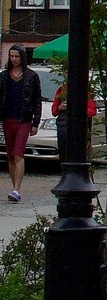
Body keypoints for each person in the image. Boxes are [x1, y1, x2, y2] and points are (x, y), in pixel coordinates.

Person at [1, 44, 43, 202]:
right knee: (11, 155)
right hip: (7, 118)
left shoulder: (31, 76)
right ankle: (14, 188)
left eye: (17, 56)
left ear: (22, 57)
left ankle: (17, 189)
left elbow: (37, 100)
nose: (14, 59)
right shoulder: (4, 76)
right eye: (11, 56)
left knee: (18, 153)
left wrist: (35, 122)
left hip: (24, 120)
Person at [51, 82, 98, 162]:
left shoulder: (86, 91)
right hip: (63, 127)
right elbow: (54, 111)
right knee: (63, 151)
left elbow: (92, 111)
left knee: (78, 153)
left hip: (79, 127)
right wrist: (60, 107)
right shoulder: (61, 90)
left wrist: (75, 109)